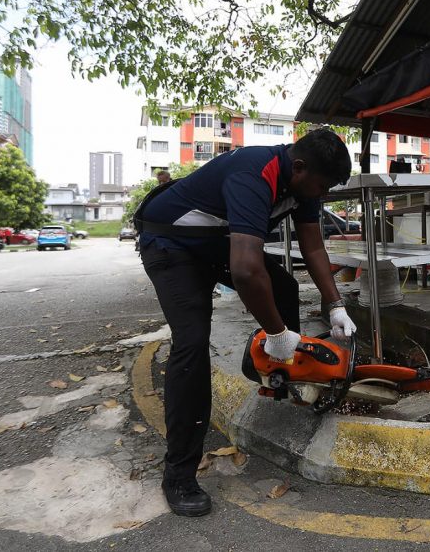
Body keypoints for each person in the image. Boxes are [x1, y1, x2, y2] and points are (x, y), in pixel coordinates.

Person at [135, 128, 356, 517]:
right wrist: (277, 333)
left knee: (284, 287)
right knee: (191, 343)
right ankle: (179, 473)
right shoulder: (254, 173)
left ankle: (278, 377)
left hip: (211, 241)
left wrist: (335, 305)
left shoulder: (304, 182)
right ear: (300, 167)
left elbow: (314, 245)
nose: (319, 196)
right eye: (320, 187)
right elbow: (245, 271)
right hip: (170, 243)